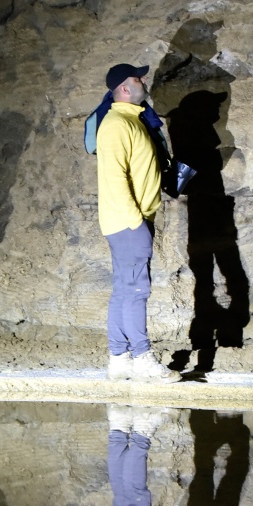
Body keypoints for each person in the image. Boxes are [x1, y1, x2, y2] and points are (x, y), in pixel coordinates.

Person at [97, 63, 179, 383]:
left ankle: (119, 359)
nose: (143, 80)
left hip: (126, 220)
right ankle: (143, 359)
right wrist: (135, 222)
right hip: (128, 222)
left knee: (123, 290)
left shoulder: (131, 120)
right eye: (137, 78)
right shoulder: (118, 124)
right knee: (135, 291)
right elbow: (116, 178)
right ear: (124, 88)